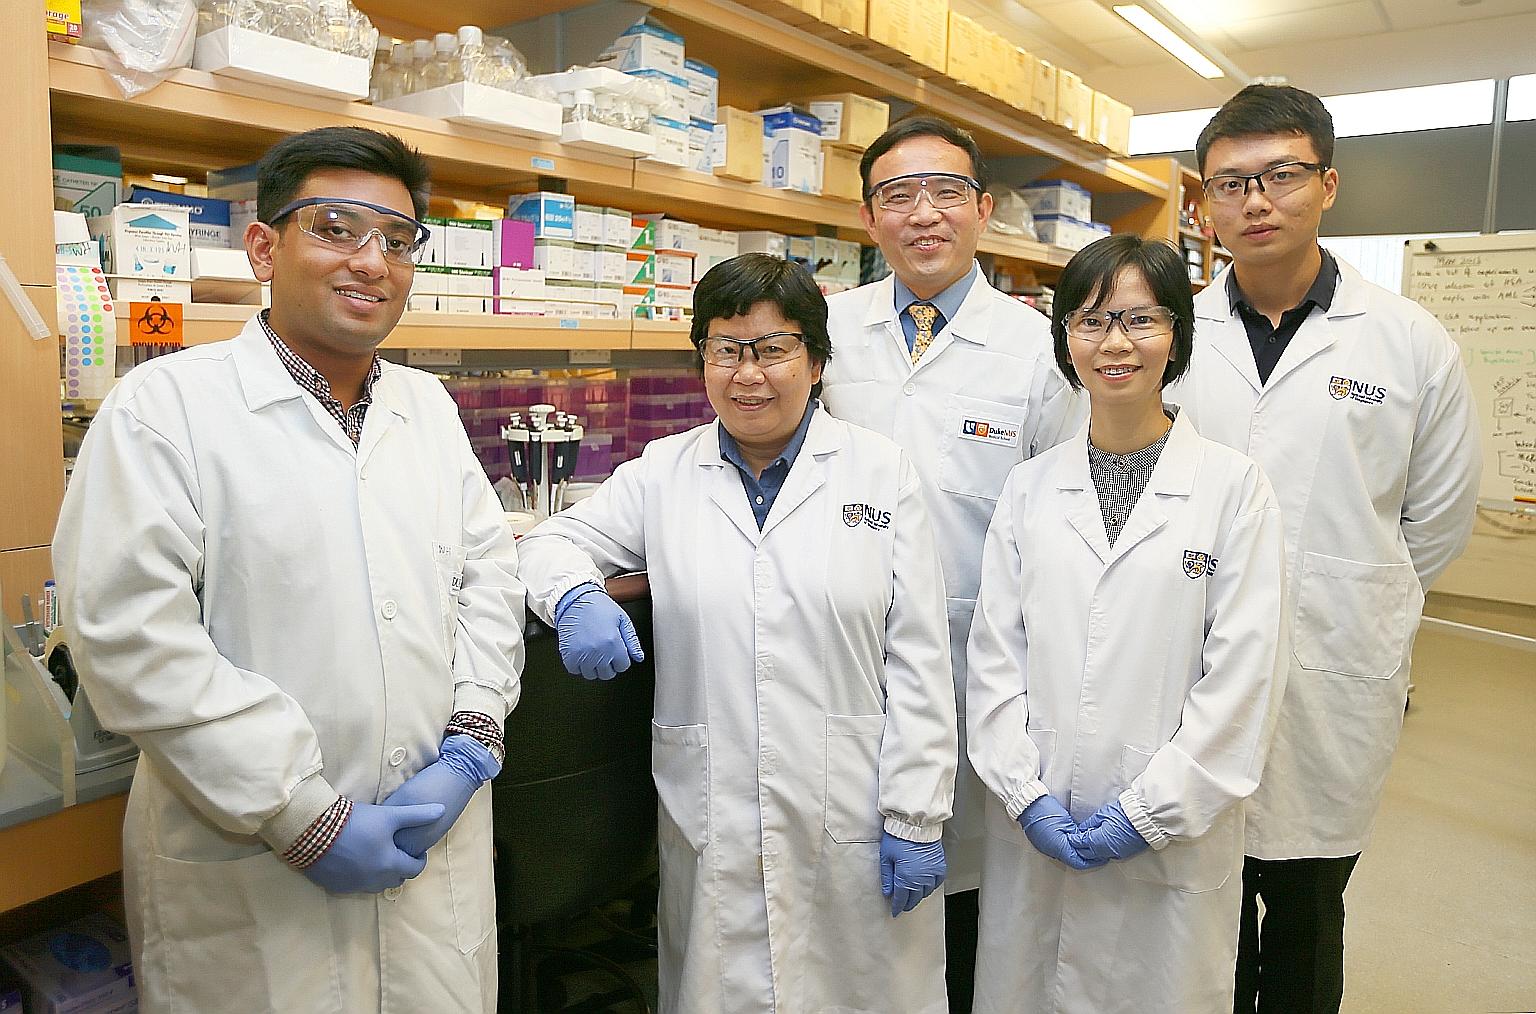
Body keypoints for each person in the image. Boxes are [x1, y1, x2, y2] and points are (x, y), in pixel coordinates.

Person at [52, 126, 525, 1012]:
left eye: (396, 239)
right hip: (252, 869)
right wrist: (300, 816)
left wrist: (472, 738)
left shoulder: (428, 407)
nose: (371, 262)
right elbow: (130, 640)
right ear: (264, 246)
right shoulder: (164, 408)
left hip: (434, 858)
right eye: (337, 227)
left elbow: (490, 578)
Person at [517, 253, 957, 1014]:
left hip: (853, 806)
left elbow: (919, 655)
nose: (747, 373)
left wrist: (916, 814)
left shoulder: (880, 472)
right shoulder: (664, 471)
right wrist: (577, 595)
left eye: (773, 348)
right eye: (725, 349)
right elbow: (544, 544)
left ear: (816, 361)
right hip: (713, 808)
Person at [1173, 85, 1481, 1014]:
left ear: (1329, 183)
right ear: (1205, 204)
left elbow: (1437, 518)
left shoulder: (1410, 342)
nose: (1256, 202)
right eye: (1231, 184)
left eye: (1281, 175)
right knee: (1198, 909)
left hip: (1334, 669)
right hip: (1186, 665)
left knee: (1308, 913)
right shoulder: (1169, 331)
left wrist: (1348, 596)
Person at [965, 234, 1289, 1013]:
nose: (1115, 343)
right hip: (1035, 825)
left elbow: (1245, 680)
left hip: (1172, 839)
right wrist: (1023, 792)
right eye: (1090, 320)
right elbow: (993, 662)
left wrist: (1149, 813)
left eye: (1141, 321)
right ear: (1064, 340)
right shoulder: (1029, 489)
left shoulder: (1233, 490)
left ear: (1177, 333)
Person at [821, 116, 1082, 1006]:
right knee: (844, 895)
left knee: (965, 903)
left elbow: (1063, 524)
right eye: (898, 195)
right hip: (840, 663)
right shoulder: (825, 332)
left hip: (980, 674)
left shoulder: (1041, 351)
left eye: (945, 193)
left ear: (980, 211)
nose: (922, 214)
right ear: (869, 218)